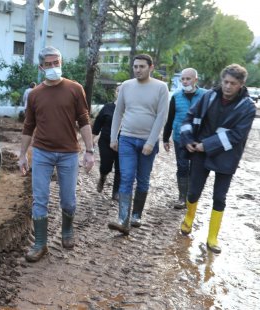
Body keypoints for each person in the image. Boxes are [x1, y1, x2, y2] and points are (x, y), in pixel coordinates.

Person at [18, 46, 95, 262]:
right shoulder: (34, 95)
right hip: (41, 152)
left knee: (68, 200)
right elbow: (28, 126)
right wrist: (22, 154)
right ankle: (40, 243)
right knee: (40, 199)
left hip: (69, 153)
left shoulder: (75, 89)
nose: (53, 67)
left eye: (57, 63)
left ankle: (67, 231)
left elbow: (84, 121)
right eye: (49, 64)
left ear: (61, 63)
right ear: (41, 67)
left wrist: (89, 151)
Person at [179, 64, 255, 254]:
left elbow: (237, 134)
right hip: (199, 151)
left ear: (241, 84)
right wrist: (188, 139)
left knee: (219, 197)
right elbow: (189, 117)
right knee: (194, 190)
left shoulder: (248, 107)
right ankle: (188, 220)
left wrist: (208, 144)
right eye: (225, 82)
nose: (228, 86)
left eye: (233, 83)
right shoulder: (208, 96)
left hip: (227, 156)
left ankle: (212, 237)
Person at [108, 54, 169, 235]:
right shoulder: (126, 86)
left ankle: (136, 215)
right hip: (126, 138)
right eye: (135, 66)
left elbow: (162, 116)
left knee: (142, 179)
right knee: (126, 177)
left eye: (142, 66)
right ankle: (123, 219)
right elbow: (118, 113)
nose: (138, 70)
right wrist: (114, 137)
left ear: (151, 67)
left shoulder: (161, 87)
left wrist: (151, 142)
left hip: (147, 142)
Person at [162, 68, 207, 209]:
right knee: (182, 166)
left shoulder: (205, 95)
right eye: (183, 79)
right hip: (179, 137)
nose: (185, 81)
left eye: (188, 78)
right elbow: (170, 119)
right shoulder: (176, 96)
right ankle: (182, 197)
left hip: (198, 138)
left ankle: (192, 198)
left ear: (195, 80)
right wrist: (165, 138)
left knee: (195, 168)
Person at [92, 85, 121, 201]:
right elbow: (98, 124)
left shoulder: (130, 109)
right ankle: (103, 176)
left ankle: (116, 192)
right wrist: (92, 139)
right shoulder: (108, 107)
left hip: (124, 143)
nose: (121, 93)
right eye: (119, 90)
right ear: (115, 92)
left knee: (121, 169)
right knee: (106, 165)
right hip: (105, 141)